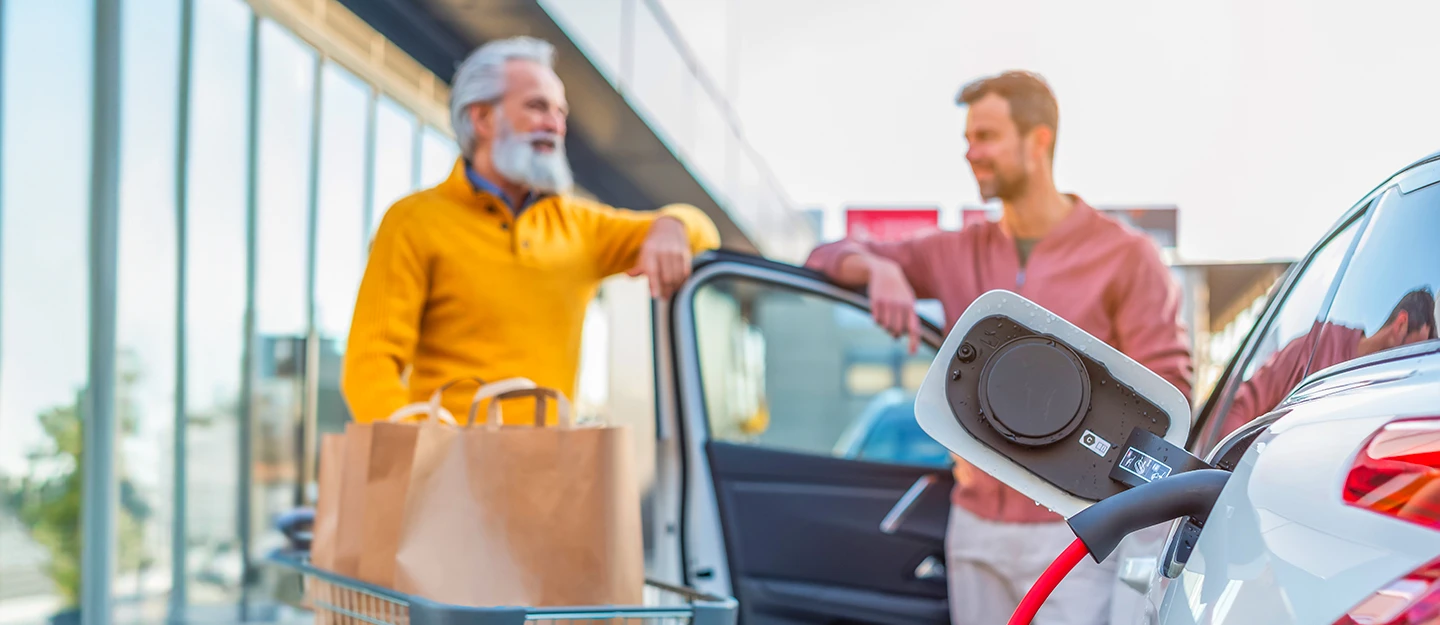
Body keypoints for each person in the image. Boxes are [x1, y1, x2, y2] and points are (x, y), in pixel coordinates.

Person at [804, 71, 1193, 625]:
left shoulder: (1126, 256)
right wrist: (875, 267)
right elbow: (823, 254)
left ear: (1038, 139)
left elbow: (1169, 392)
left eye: (985, 136)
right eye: (967, 139)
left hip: (1069, 528)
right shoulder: (957, 250)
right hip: (975, 525)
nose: (970, 153)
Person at [341, 36, 720, 425]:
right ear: (483, 119)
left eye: (560, 113)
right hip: (445, 465)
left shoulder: (581, 226)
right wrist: (418, 450)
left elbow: (704, 237)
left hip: (547, 469)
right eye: (538, 107)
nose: (555, 125)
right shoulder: (413, 221)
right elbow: (371, 363)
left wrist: (673, 225)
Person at [1219, 288, 1436, 436]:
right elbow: (1238, 409)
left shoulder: (1396, 392)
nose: (1416, 363)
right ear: (1401, 324)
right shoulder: (1315, 346)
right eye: (1417, 348)